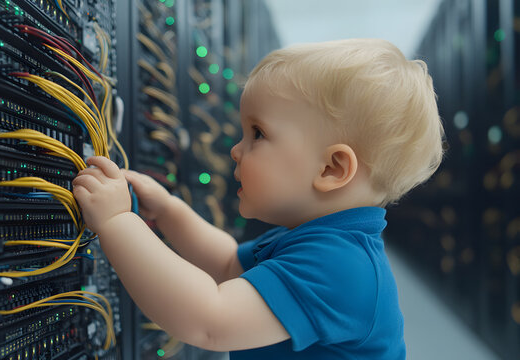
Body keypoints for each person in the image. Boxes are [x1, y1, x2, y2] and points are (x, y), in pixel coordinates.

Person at [72, 38, 444, 359]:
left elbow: (208, 321)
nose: (236, 150)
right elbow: (229, 263)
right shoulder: (313, 238)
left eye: (258, 134)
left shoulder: (342, 267)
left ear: (331, 168)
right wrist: (169, 210)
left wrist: (116, 222)